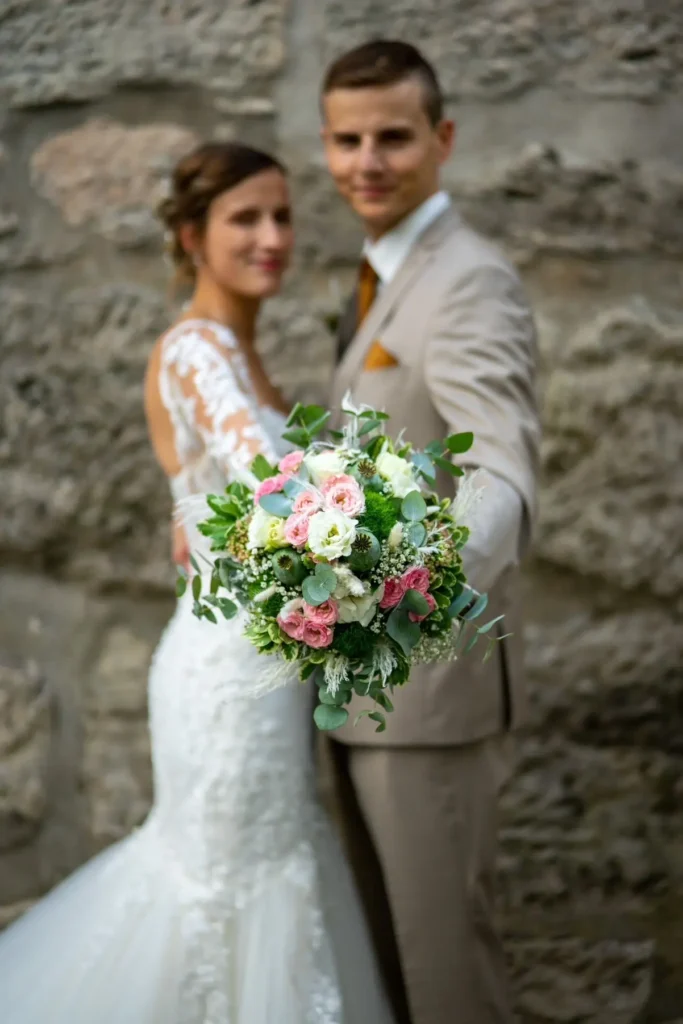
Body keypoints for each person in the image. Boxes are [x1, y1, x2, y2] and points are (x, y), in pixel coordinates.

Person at [0, 141, 395, 1024]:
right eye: (245, 218)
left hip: (269, 673)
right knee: (224, 893)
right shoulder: (195, 351)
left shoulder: (247, 358)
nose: (271, 236)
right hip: (224, 680)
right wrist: (383, 534)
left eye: (283, 215)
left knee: (270, 882)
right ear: (191, 236)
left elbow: (248, 505)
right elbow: (277, 489)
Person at [320, 40, 541, 1024]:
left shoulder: (466, 282)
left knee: (445, 981)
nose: (367, 161)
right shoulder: (378, 273)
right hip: (359, 691)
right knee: (392, 979)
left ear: (442, 139)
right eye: (346, 139)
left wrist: (430, 585)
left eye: (392, 138)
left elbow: (497, 464)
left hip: (429, 691)